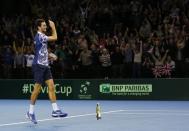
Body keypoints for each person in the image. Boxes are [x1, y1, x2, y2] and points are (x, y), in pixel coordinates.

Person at [26, 19, 68, 124]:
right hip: (39, 66)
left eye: (46, 25)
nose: (46, 27)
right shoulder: (40, 36)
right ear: (39, 27)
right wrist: (53, 26)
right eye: (44, 25)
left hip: (45, 65)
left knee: (51, 86)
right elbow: (55, 37)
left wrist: (50, 55)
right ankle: (30, 112)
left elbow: (41, 51)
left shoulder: (40, 37)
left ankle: (55, 110)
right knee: (37, 90)